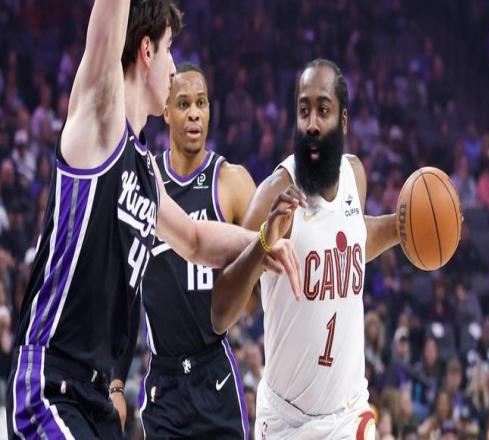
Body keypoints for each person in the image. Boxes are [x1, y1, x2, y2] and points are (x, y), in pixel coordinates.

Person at [7, 2, 299, 438]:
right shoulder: (100, 117)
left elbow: (195, 240)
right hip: (52, 381)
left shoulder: (145, 169)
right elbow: (108, 20)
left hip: (95, 394)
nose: (173, 66)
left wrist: (261, 242)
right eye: (169, 49)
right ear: (147, 50)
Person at [211, 59, 402, 439]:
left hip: (349, 412)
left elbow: (350, 239)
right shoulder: (273, 193)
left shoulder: (355, 176)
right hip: (288, 422)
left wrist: (400, 227)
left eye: (323, 110)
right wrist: (264, 243)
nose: (312, 123)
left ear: (343, 122)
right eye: (304, 111)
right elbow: (221, 313)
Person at [110, 63, 256, 439]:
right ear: (166, 110)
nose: (194, 113)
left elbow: (264, 280)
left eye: (202, 103)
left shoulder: (232, 181)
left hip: (215, 371)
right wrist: (116, 382)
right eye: (184, 103)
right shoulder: (144, 181)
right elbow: (125, 292)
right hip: (164, 382)